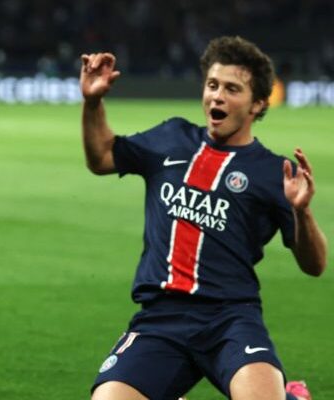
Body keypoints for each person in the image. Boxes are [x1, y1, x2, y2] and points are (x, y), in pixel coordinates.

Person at [80, 36, 327, 400]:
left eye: (232, 89)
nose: (217, 96)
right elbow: (102, 157)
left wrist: (302, 212)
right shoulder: (171, 137)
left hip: (231, 319)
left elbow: (315, 265)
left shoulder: (275, 173)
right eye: (212, 85)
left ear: (258, 103)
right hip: (160, 318)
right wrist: (93, 102)